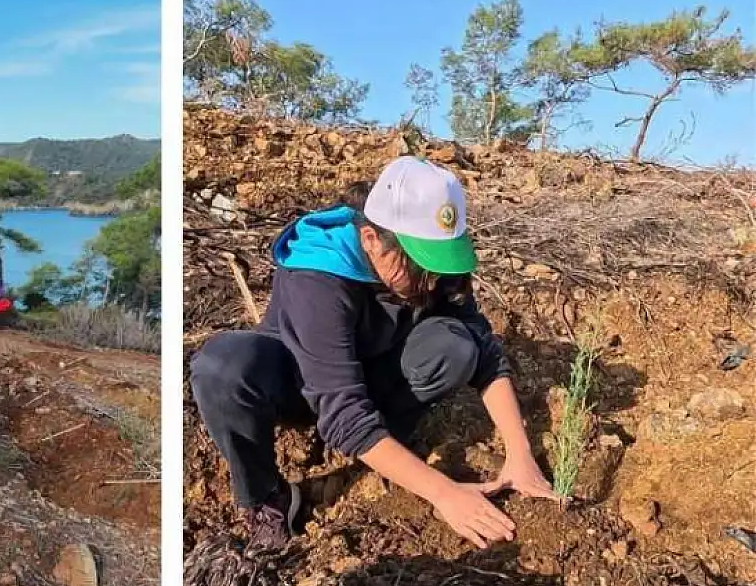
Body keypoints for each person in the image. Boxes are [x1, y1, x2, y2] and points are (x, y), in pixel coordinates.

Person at [189, 157, 559, 553]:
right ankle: (268, 499)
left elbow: (485, 352)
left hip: (379, 376)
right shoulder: (318, 277)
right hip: (303, 379)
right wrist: (444, 493)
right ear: (370, 239)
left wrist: (521, 456)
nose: (430, 280)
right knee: (222, 368)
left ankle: (388, 441)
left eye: (438, 264)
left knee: (454, 345)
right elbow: (343, 410)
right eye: (418, 265)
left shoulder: (430, 265)